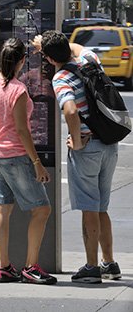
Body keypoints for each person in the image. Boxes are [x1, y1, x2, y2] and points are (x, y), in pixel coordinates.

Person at [31, 30, 121, 284]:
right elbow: (79, 47)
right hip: (108, 144)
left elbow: (70, 110)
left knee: (89, 208)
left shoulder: (61, 77)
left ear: (48, 58)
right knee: (102, 206)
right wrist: (55, 44)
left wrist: (78, 141)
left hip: (87, 148)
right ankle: (109, 263)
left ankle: (92, 268)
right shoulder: (89, 61)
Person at [0, 37, 57, 285]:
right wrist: (37, 162)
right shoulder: (18, 90)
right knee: (42, 209)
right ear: (22, 61)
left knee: (3, 208)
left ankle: (4, 267)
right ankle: (31, 267)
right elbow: (22, 130)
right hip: (16, 156)